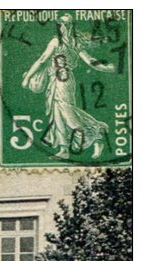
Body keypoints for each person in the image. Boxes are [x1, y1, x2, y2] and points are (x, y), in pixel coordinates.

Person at [20, 13, 117, 160]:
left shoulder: (67, 42)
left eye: (64, 24)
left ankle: (97, 134)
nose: (61, 26)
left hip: (63, 80)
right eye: (60, 23)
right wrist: (105, 67)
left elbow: (43, 60)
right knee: (57, 113)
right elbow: (43, 60)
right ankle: (64, 148)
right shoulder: (65, 42)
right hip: (55, 80)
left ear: (69, 26)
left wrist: (105, 68)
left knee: (67, 111)